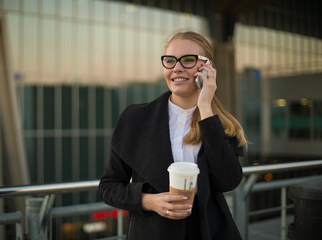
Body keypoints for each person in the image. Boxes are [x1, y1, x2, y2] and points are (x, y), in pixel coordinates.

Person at [98, 31, 247, 240]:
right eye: (170, 60)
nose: (177, 67)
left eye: (188, 60)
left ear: (207, 68)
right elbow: (108, 187)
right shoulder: (135, 118)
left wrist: (205, 106)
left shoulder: (221, 124)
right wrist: (149, 201)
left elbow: (228, 181)